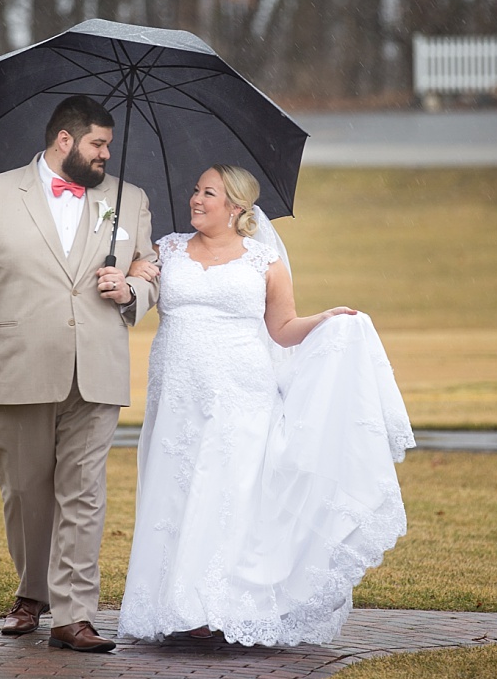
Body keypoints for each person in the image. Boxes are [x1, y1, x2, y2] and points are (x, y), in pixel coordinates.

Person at [117, 165, 414, 646]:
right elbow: (138, 293)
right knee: (173, 494)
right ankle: (173, 607)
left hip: (241, 394)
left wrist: (326, 320)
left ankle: (217, 610)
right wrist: (130, 273)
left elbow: (283, 329)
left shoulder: (263, 261)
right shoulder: (166, 250)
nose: (195, 199)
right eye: (195, 190)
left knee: (226, 496)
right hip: (176, 396)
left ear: (236, 207)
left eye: (207, 193)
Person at [0, 96, 157, 653]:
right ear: (65, 140)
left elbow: (149, 269)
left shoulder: (129, 199)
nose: (107, 154)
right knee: (26, 492)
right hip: (18, 365)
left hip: (99, 367)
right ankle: (32, 592)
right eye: (98, 144)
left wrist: (132, 290)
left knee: (84, 494)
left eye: (108, 145)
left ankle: (74, 615)